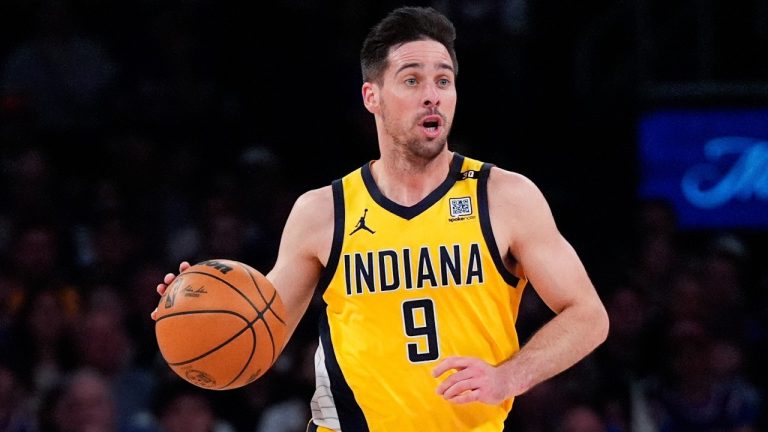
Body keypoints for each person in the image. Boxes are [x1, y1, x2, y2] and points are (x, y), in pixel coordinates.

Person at [152, 6, 609, 431]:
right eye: (412, 80)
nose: (432, 96)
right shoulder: (323, 212)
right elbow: (259, 337)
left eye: (443, 80)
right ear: (372, 96)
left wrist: (509, 377)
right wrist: (196, 315)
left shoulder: (504, 197)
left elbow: (589, 316)